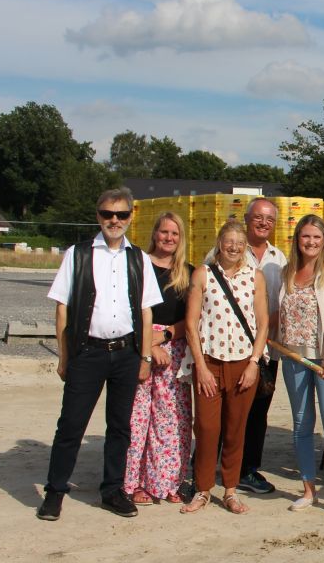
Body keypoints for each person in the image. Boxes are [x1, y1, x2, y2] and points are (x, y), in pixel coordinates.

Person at [38, 187, 163, 521]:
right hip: (87, 352)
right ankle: (55, 492)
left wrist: (145, 357)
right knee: (71, 425)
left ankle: (112, 491)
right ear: (98, 215)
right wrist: (64, 356)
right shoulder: (77, 255)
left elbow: (146, 310)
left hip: (125, 352)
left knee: (120, 427)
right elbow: (62, 309)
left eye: (121, 214)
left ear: (130, 216)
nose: (114, 220)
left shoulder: (138, 258)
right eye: (108, 214)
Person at [180, 221, 269, 515]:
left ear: (245, 247)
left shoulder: (254, 277)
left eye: (239, 243)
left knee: (235, 429)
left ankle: (230, 489)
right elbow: (191, 323)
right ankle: (203, 488)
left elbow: (263, 323)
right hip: (210, 361)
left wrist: (254, 363)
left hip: (243, 362)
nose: (233, 247)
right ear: (219, 243)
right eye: (228, 241)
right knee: (206, 428)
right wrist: (201, 366)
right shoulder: (203, 274)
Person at [277, 215, 324, 521]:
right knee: (301, 424)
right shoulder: (286, 273)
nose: (310, 242)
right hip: (294, 358)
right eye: (305, 236)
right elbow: (277, 313)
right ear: (297, 239)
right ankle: (308, 490)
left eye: (317, 238)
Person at [124, 211, 194, 506]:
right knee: (137, 418)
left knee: (171, 418)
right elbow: (126, 310)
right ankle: (133, 483)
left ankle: (166, 482)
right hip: (138, 344)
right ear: (155, 234)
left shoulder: (187, 273)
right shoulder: (137, 266)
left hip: (173, 348)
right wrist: (148, 345)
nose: (169, 238)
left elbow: (191, 319)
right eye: (164, 232)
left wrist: (163, 338)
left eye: (175, 234)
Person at [235, 197, 286, 496]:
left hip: (267, 350)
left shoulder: (280, 259)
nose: (264, 222)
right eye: (258, 217)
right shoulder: (228, 250)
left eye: (269, 219)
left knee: (257, 411)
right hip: (232, 346)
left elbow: (283, 302)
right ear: (247, 218)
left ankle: (248, 469)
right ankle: (203, 464)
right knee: (227, 407)